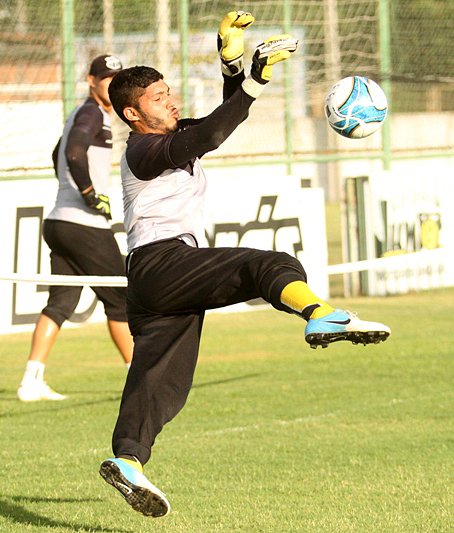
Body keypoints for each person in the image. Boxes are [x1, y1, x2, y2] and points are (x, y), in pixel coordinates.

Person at [98, 12, 390, 517]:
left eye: (168, 92)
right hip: (163, 262)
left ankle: (127, 461)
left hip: (152, 280)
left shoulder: (168, 136)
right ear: (132, 114)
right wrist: (254, 78)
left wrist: (231, 62)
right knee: (267, 263)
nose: (171, 100)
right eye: (158, 98)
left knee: (160, 382)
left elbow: (223, 118)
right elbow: (210, 136)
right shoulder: (143, 149)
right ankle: (321, 315)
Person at [17, 54, 134, 402]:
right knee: (121, 298)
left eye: (117, 79)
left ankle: (30, 381)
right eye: (106, 79)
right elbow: (72, 153)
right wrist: (88, 194)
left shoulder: (84, 112)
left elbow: (58, 153)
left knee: (60, 303)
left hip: (59, 221)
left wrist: (71, 193)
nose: (112, 85)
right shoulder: (92, 112)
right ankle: (138, 377)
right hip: (83, 224)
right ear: (91, 81)